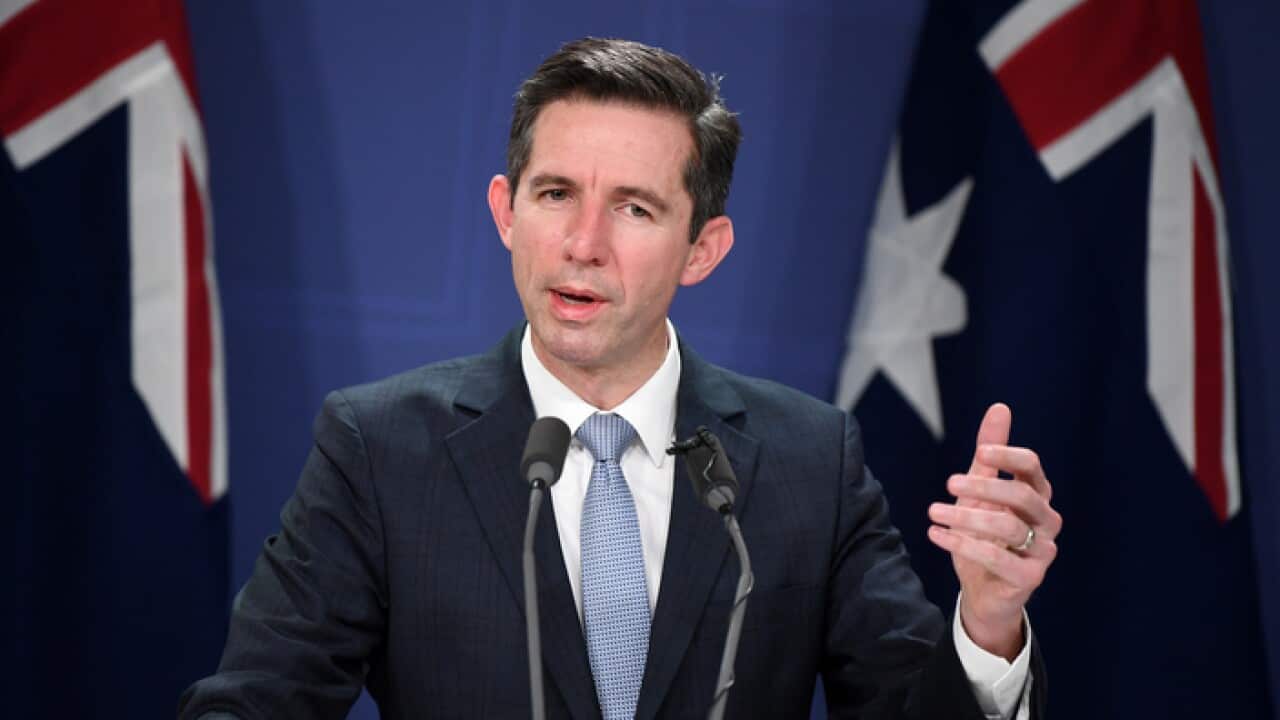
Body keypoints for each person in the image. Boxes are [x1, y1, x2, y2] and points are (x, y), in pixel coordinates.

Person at [179, 37, 1061, 719]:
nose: (584, 243)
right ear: (506, 212)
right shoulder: (381, 449)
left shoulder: (809, 462)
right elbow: (254, 701)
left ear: (702, 249)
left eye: (634, 208)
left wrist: (987, 624)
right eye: (555, 194)